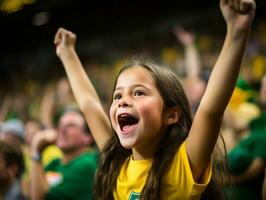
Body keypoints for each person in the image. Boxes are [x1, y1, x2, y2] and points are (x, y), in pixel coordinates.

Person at [54, 0, 256, 199]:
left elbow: (211, 109)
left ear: (171, 115)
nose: (123, 101)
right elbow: (89, 104)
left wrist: (236, 31)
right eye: (118, 95)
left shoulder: (183, 166)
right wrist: (68, 54)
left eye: (139, 93)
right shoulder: (116, 164)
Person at [29, 110, 98, 200]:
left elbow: (39, 197)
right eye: (60, 125)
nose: (62, 129)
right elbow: (32, 192)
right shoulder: (55, 163)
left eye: (70, 125)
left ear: (87, 137)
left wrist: (37, 148)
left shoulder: (87, 163)